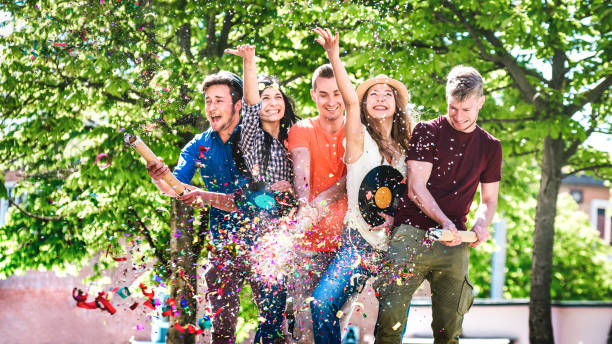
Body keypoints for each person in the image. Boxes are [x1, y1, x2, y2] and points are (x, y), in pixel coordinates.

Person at [374, 65, 502, 343]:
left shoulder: (491, 146)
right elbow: (416, 188)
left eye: (466, 110)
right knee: (389, 325)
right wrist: (444, 222)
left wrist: (481, 224)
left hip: (455, 244)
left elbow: (489, 199)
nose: (457, 116)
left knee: (450, 331)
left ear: (481, 102)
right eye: (452, 107)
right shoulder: (427, 131)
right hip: (410, 237)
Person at [309, 28, 415, 344]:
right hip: (357, 244)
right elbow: (349, 102)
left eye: (387, 94)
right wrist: (333, 54)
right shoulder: (359, 140)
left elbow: (418, 195)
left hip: (398, 245)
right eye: (373, 95)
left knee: (390, 328)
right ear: (364, 104)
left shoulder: (410, 149)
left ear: (397, 105)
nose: (380, 98)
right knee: (321, 304)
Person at [145, 71, 262, 343]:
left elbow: (246, 202)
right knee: (221, 333)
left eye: (218, 100)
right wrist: (160, 176)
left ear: (238, 105)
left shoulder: (256, 141)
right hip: (223, 248)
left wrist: (201, 194)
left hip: (264, 246)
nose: (211, 108)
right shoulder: (199, 145)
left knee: (274, 326)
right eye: (208, 101)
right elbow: (177, 188)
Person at [224, 44, 300, 343]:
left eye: (277, 97)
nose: (271, 102)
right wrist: (250, 61)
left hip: (299, 233)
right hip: (268, 235)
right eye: (266, 97)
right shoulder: (252, 136)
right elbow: (252, 104)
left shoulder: (295, 140)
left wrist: (293, 188)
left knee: (295, 316)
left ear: (286, 105)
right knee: (272, 313)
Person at [286, 62, 348, 342]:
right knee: (303, 331)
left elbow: (350, 180)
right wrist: (304, 204)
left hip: (346, 249)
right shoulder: (302, 129)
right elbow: (301, 171)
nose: (331, 101)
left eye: (337, 93)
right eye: (324, 94)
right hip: (306, 247)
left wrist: (320, 201)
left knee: (333, 327)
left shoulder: (360, 131)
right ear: (314, 96)